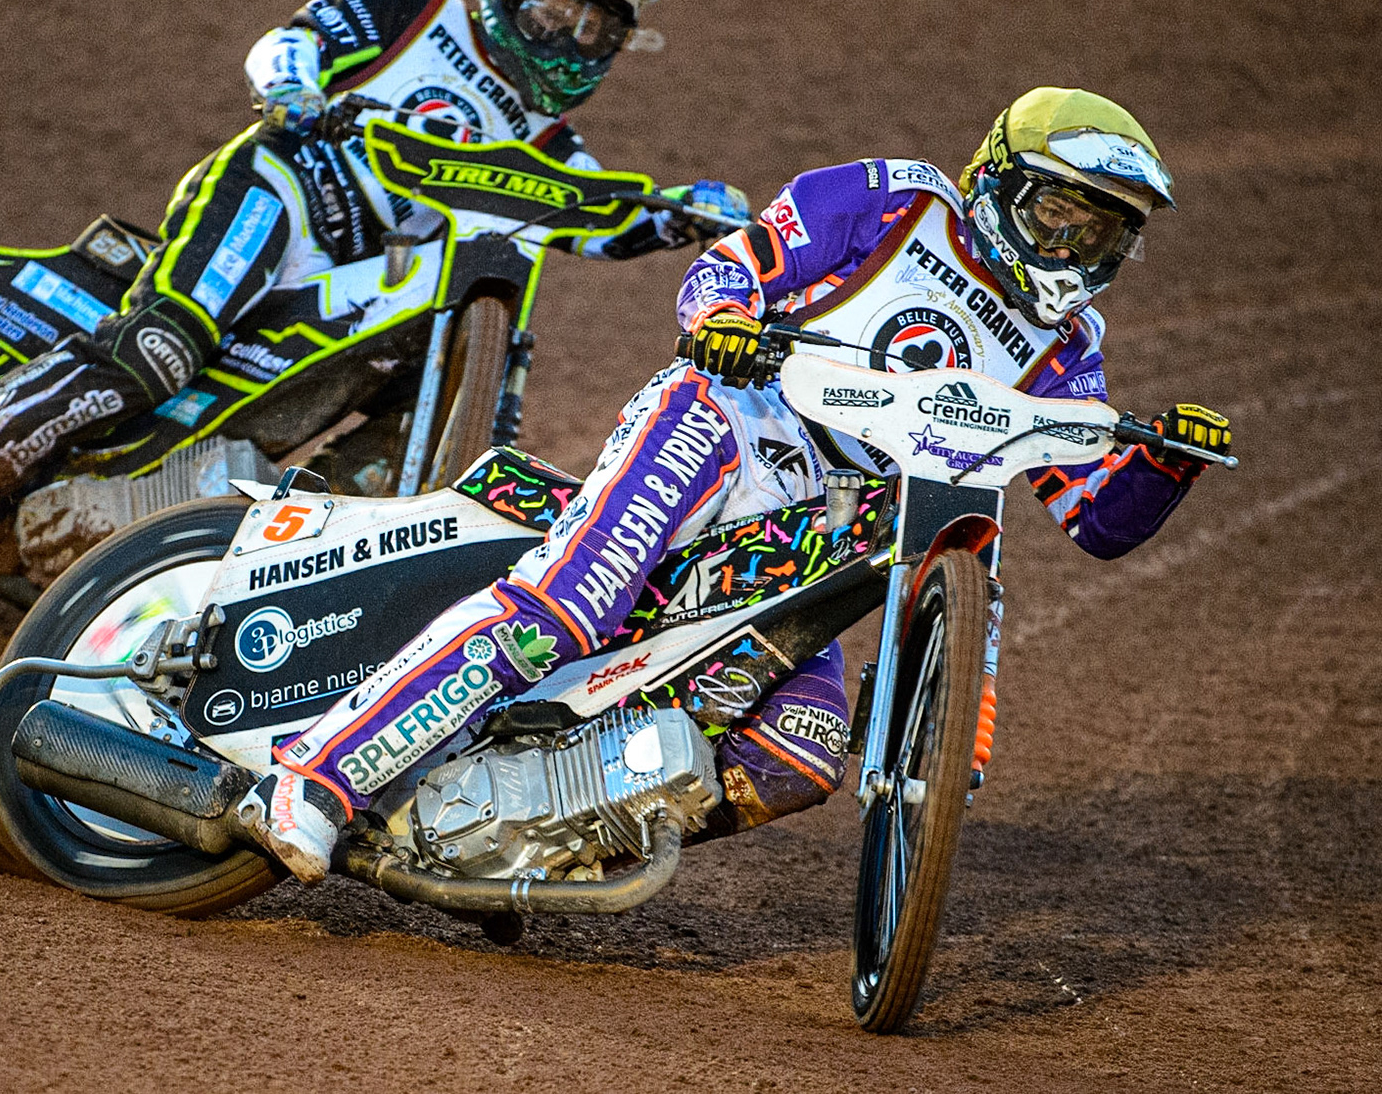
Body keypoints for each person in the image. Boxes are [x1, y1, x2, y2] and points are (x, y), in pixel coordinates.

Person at [240, 87, 1238, 882]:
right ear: (998, 181)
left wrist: (1167, 460)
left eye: (1100, 236)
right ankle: (317, 777)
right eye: (1057, 214)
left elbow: (1096, 516)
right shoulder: (896, 200)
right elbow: (734, 265)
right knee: (570, 606)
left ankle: (519, 840)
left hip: (825, 531)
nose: (1069, 250)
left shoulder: (1070, 345)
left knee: (798, 754)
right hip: (725, 424)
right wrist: (725, 318)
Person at [0, 0, 747, 632]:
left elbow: (601, 222)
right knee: (162, 347)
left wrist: (684, 215)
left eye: (598, 29)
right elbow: (291, 42)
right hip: (283, 191)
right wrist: (294, 90)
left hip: (355, 285)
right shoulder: (415, 7)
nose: (572, 42)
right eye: (557, 13)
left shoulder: (551, 148)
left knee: (388, 417)